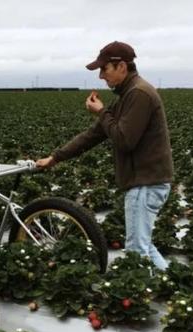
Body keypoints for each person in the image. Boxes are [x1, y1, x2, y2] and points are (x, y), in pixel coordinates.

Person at [35, 41, 174, 270]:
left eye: (104, 69)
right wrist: (56, 157)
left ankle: (153, 291)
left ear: (122, 66)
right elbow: (94, 135)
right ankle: (170, 286)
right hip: (145, 182)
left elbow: (124, 140)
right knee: (144, 246)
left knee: (137, 250)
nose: (101, 76)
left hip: (145, 183)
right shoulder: (127, 95)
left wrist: (101, 111)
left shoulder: (138, 93)